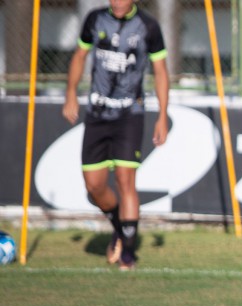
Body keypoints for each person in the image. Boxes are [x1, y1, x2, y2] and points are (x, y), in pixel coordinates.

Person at [62, 0, 169, 271]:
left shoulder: (148, 26)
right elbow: (79, 56)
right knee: (94, 186)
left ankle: (128, 256)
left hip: (129, 115)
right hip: (97, 115)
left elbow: (160, 71)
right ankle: (120, 227)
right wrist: (71, 94)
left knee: (125, 180)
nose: (117, 3)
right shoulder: (95, 19)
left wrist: (162, 115)